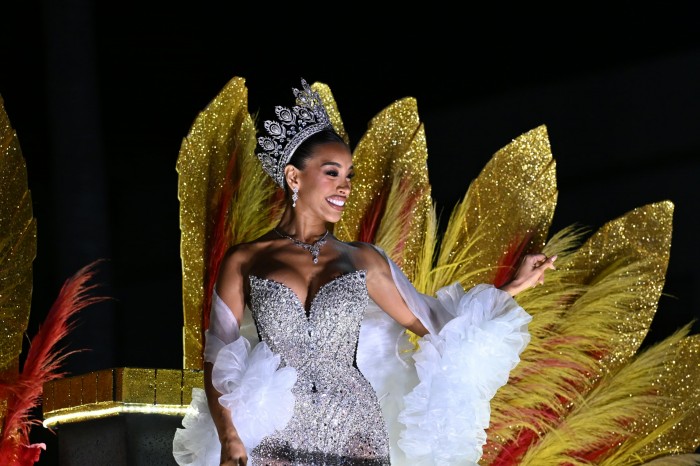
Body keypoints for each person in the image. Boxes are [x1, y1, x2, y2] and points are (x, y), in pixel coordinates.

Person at [173, 78, 556, 466]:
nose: (344, 187)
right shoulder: (245, 260)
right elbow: (218, 358)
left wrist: (511, 288)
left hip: (356, 432)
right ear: (294, 177)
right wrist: (230, 437)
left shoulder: (363, 260)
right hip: (276, 433)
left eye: (349, 176)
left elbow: (438, 325)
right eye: (332, 173)